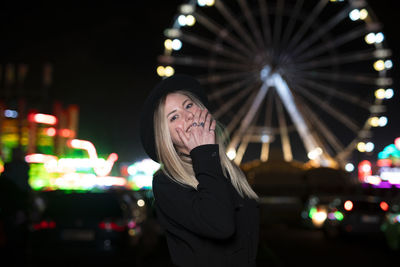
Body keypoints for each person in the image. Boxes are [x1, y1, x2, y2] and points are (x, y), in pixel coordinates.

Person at [139, 74, 260, 267]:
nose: (187, 115)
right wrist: (202, 153)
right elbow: (221, 226)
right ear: (166, 137)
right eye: (174, 117)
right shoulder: (165, 183)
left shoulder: (229, 170)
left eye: (188, 105)